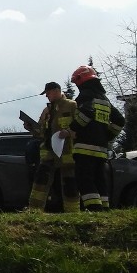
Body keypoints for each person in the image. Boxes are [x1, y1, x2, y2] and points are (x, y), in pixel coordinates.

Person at [68, 66, 125, 211]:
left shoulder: (85, 96)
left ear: (81, 81)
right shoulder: (104, 99)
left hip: (84, 147)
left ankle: (94, 209)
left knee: (84, 179)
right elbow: (119, 120)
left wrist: (72, 129)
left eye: (76, 83)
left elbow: (86, 114)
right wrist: (107, 136)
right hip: (101, 149)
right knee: (100, 180)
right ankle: (104, 210)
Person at [24, 81, 79, 213]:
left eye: (48, 93)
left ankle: (73, 213)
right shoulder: (46, 110)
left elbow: (80, 127)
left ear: (56, 91)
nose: (46, 96)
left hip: (66, 153)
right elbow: (40, 132)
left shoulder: (72, 105)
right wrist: (31, 128)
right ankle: (34, 211)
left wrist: (69, 133)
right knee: (40, 182)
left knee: (69, 183)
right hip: (48, 153)